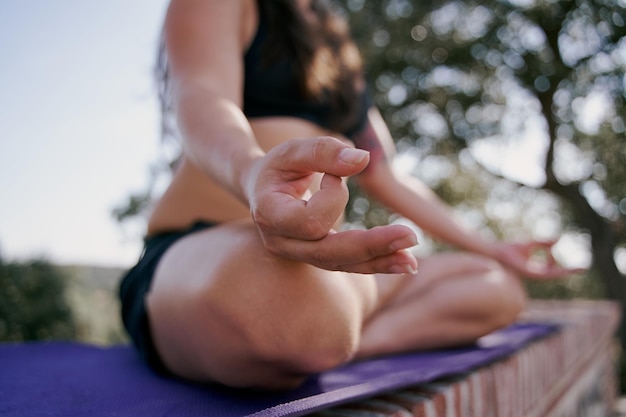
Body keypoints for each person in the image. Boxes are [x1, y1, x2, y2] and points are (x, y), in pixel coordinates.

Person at [119, 0, 580, 390]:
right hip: (196, 254)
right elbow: (202, 96)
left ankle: (335, 338)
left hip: (319, 271)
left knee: (495, 287)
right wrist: (251, 170)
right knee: (288, 308)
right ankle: (323, 330)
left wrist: (492, 247)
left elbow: (386, 176)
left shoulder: (334, 43)